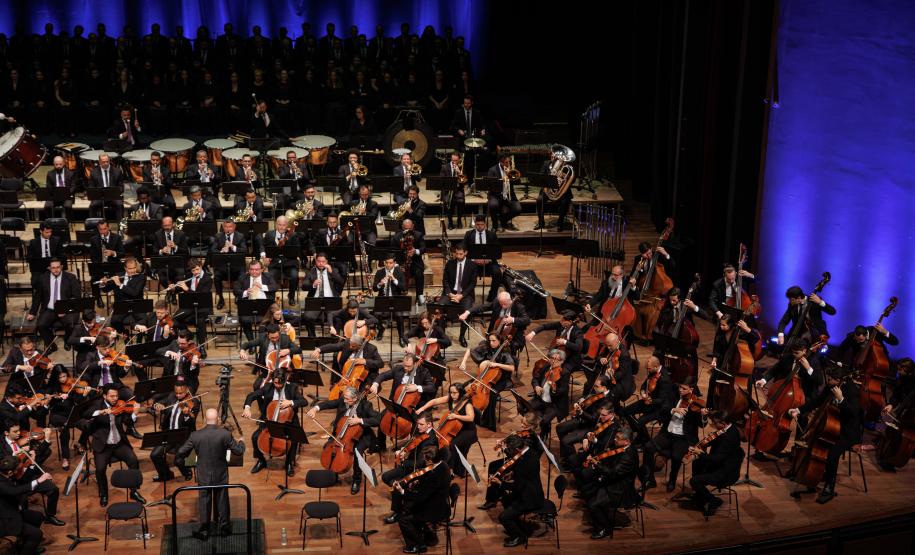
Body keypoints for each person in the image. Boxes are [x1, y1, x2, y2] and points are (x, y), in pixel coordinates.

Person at [788, 364, 863, 504]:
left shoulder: (852, 391)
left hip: (847, 432)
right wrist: (798, 410)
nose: (827, 382)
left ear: (840, 380)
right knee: (814, 444)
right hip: (831, 428)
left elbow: (853, 414)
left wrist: (841, 399)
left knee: (832, 455)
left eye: (830, 380)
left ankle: (829, 487)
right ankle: (810, 474)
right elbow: (817, 401)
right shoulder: (831, 386)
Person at [175, 408, 246, 540]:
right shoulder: (225, 434)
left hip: (204, 474)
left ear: (205, 420)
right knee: (222, 500)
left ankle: (205, 529)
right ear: (218, 419)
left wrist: (194, 451)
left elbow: (181, 452)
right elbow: (239, 451)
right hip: (220, 474)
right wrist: (242, 441)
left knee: (204, 500)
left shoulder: (195, 435)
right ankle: (225, 528)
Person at [307, 386, 381, 494]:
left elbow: (378, 419)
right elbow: (328, 404)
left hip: (360, 436)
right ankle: (333, 473)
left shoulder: (365, 405)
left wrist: (359, 420)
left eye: (347, 399)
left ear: (355, 398)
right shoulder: (343, 401)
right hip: (340, 434)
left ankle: (356, 480)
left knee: (357, 454)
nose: (344, 400)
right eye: (344, 398)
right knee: (328, 448)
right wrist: (315, 408)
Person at [641, 376, 707, 493]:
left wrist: (704, 415)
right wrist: (674, 410)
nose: (680, 390)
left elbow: (702, 425)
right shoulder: (674, 395)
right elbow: (663, 409)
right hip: (668, 433)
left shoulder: (696, 404)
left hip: (683, 438)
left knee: (677, 457)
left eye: (684, 388)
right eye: (680, 387)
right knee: (648, 447)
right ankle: (650, 479)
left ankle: (672, 480)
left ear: (691, 390)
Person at [84, 384, 146, 507]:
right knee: (100, 469)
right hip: (103, 445)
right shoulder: (98, 404)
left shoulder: (121, 405)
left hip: (118, 443)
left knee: (133, 461)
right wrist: (101, 412)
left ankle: (133, 491)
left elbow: (127, 422)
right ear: (104, 396)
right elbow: (86, 413)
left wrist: (134, 413)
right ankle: (104, 494)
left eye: (116, 396)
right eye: (112, 396)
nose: (115, 398)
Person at [242, 371, 309, 476]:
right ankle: (261, 461)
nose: (277, 385)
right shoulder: (268, 387)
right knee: (255, 437)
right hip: (270, 419)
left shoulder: (292, 388)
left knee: (294, 438)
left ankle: (289, 463)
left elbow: (304, 401)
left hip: (288, 420)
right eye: (275, 383)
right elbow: (252, 395)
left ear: (285, 380)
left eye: (279, 383)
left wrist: (290, 402)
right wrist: (247, 408)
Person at [395, 444, 451, 554]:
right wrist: (419, 481)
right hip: (439, 501)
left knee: (402, 519)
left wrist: (402, 491)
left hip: (435, 507)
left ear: (430, 460)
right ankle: (429, 535)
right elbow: (429, 480)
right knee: (407, 508)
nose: (423, 460)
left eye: (425, 458)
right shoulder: (442, 465)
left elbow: (421, 497)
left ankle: (418, 545)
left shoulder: (436, 475)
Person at [585, 428, 639, 539]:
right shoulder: (621, 448)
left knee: (593, 504)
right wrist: (597, 458)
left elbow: (612, 472)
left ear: (627, 441)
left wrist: (597, 464)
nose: (614, 439)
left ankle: (604, 528)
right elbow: (610, 461)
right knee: (587, 491)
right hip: (614, 481)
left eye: (618, 438)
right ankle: (600, 518)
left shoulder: (628, 456)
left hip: (621, 489)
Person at [687, 411, 743, 517]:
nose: (713, 425)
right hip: (721, 464)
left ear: (723, 423)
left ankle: (714, 500)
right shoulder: (728, 429)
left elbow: (717, 459)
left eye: (715, 423)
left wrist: (701, 453)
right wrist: (706, 442)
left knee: (694, 481)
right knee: (696, 464)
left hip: (725, 472)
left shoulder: (729, 437)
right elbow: (717, 440)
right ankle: (700, 495)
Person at [457, 332, 516, 431]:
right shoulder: (486, 346)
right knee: (464, 388)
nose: (491, 343)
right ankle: (469, 414)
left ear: (500, 341)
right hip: (484, 377)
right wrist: (463, 363)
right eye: (490, 340)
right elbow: (469, 350)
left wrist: (497, 364)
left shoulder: (505, 352)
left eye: (494, 341)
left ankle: (489, 423)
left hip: (500, 379)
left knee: (492, 396)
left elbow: (512, 368)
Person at [0, 455, 59, 554]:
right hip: (5, 519)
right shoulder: (1, 484)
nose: (19, 471)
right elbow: (15, 490)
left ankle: (27, 544)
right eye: (17, 470)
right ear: (10, 472)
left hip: (13, 508)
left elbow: (22, 481)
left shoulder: (5, 474)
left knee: (39, 517)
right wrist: (38, 480)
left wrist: (31, 465)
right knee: (37, 534)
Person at [416, 382, 477, 477]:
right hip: (454, 429)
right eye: (451, 392)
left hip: (468, 431)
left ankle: (451, 470)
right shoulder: (450, 398)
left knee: (452, 445)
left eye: (455, 393)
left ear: (460, 392)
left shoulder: (467, 403)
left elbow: (471, 418)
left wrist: (456, 416)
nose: (452, 395)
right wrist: (422, 408)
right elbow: (434, 401)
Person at [494, 434, 543, 547]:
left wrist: (501, 483)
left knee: (503, 517)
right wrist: (512, 473)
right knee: (505, 500)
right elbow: (525, 476)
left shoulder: (523, 464)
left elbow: (517, 487)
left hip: (530, 498)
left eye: (511, 451)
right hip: (531, 490)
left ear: (517, 449)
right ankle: (520, 526)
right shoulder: (531, 452)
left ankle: (519, 536)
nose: (511, 455)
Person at [26, 258, 81, 351]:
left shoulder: (71, 277)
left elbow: (76, 297)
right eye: (53, 268)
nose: (56, 270)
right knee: (41, 325)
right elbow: (38, 297)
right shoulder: (43, 278)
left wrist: (66, 309)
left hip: (66, 309)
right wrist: (33, 312)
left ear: (62, 267)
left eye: (58, 267)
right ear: (49, 268)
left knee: (70, 324)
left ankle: (68, 341)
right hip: (50, 309)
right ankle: (51, 344)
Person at [150, 380, 200, 482]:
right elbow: (157, 403)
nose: (178, 395)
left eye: (180, 393)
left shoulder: (194, 402)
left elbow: (192, 422)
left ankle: (187, 472)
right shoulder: (171, 397)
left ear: (186, 390)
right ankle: (166, 474)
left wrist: (186, 415)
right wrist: (157, 406)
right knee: (155, 455)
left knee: (178, 460)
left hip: (185, 436)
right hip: (169, 434)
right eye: (176, 393)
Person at [239, 323, 303, 392]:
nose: (275, 339)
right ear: (267, 334)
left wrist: (288, 350)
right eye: (272, 338)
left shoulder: (285, 338)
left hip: (284, 371)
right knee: (256, 386)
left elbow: (298, 349)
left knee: (294, 388)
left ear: (279, 333)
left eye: (277, 337)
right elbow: (247, 344)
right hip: (268, 370)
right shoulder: (262, 339)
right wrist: (242, 351)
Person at [439, 243, 477, 346]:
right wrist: (450, 294)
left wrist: (461, 295)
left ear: (466, 253)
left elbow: (473, 283)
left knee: (467, 311)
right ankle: (442, 336)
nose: (458, 256)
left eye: (461, 254)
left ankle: (461, 336)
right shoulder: (450, 263)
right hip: (451, 293)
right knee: (440, 308)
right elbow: (445, 280)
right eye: (456, 254)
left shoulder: (472, 265)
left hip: (465, 294)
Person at [312, 334, 385, 386]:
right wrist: (319, 349)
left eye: (353, 346)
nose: (350, 347)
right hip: (346, 374)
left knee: (357, 394)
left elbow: (380, 363)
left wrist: (365, 361)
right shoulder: (348, 343)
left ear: (360, 346)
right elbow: (333, 346)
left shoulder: (371, 349)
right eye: (350, 344)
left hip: (364, 378)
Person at [301, 252, 346, 337]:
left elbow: (341, 282)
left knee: (338, 318)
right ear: (315, 261)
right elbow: (304, 286)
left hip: (331, 300)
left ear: (327, 262)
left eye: (323, 261)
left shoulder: (333, 270)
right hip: (315, 301)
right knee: (307, 317)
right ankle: (312, 337)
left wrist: (332, 272)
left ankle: (334, 339)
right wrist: (313, 284)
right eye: (318, 261)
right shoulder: (311, 272)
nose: (321, 263)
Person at [463, 214, 506, 303]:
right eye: (478, 224)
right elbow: (464, 249)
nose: (480, 226)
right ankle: (470, 297)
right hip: (473, 262)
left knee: (497, 273)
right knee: (466, 273)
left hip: (489, 262)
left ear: (485, 225)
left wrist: (488, 259)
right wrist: (473, 260)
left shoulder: (491, 234)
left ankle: (492, 296)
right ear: (475, 224)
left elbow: (496, 250)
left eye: (482, 224)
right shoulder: (469, 234)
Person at [98, 256, 147, 333]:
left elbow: (134, 293)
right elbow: (106, 290)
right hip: (122, 306)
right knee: (114, 321)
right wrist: (103, 284)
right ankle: (124, 333)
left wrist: (120, 285)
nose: (132, 271)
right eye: (130, 269)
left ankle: (138, 335)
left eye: (134, 268)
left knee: (144, 320)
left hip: (137, 305)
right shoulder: (118, 275)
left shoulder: (141, 277)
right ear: (125, 268)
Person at [259, 215, 300, 304]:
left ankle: (291, 296)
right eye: (279, 225)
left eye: (284, 225)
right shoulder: (269, 234)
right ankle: (271, 298)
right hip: (275, 264)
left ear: (287, 225)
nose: (281, 227)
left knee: (294, 276)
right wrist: (264, 255)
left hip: (289, 263)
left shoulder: (293, 235)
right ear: (276, 225)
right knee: (270, 277)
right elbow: (262, 245)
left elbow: (296, 250)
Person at [211, 219, 250, 310]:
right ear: (223, 227)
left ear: (234, 227)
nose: (228, 229)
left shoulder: (240, 236)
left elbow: (245, 251)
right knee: (216, 276)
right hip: (223, 267)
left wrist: (233, 247)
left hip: (237, 266)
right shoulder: (218, 236)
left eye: (230, 227)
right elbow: (212, 250)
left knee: (242, 275)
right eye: (226, 227)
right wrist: (221, 251)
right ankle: (221, 298)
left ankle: (238, 296)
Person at [88, 220, 126, 307]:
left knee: (120, 277)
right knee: (93, 279)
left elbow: (122, 253)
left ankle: (118, 299)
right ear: (98, 229)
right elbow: (93, 256)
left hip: (114, 265)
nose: (103, 231)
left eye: (105, 229)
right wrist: (101, 270)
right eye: (101, 229)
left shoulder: (117, 238)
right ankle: (98, 298)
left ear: (108, 228)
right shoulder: (94, 239)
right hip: (100, 265)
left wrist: (113, 253)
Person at [372, 255, 408, 342]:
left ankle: (401, 336)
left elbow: (404, 288)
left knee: (399, 315)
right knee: (377, 314)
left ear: (394, 263)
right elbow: (374, 288)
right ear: (384, 263)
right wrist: (380, 283)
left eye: (390, 263)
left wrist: (395, 280)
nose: (388, 265)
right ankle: (380, 329)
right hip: (383, 299)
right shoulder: (379, 272)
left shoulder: (399, 272)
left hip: (396, 299)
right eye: (387, 263)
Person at [392, 218, 426, 304]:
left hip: (415, 261)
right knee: (396, 273)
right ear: (402, 227)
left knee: (419, 273)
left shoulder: (418, 235)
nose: (408, 231)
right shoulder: (396, 237)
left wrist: (415, 251)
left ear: (413, 227)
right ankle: (397, 295)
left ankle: (420, 295)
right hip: (401, 261)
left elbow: (423, 248)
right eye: (406, 228)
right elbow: (392, 252)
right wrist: (396, 263)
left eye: (410, 229)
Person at [486, 153, 521, 231]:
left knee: (518, 209)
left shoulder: (511, 169)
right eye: (506, 162)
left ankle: (503, 220)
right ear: (501, 162)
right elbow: (491, 185)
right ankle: (495, 225)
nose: (508, 164)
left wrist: (511, 175)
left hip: (508, 194)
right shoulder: (492, 170)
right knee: (493, 205)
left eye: (509, 162)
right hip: (495, 194)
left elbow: (518, 182)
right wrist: (502, 179)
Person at [88, 152, 125, 220]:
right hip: (100, 197)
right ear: (99, 162)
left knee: (119, 205)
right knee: (92, 206)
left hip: (113, 196)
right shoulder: (93, 173)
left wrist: (116, 192)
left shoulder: (117, 171)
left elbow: (121, 187)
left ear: (109, 161)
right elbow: (91, 188)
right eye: (103, 162)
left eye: (107, 161)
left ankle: (121, 226)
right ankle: (92, 227)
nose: (105, 163)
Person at [42, 155, 77, 220]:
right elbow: (48, 187)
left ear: (63, 163)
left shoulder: (70, 173)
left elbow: (73, 187)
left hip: (67, 196)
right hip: (54, 196)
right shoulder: (50, 174)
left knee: (68, 206)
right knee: (47, 206)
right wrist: (55, 194)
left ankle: (68, 223)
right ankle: (50, 223)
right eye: (56, 164)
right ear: (54, 164)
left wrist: (66, 193)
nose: (58, 166)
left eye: (60, 164)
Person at [440, 151, 466, 228]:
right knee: (449, 202)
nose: (454, 162)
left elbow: (464, 182)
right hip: (448, 190)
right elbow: (442, 180)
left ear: (459, 160)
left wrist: (459, 172)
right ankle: (450, 221)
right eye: (452, 160)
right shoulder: (444, 167)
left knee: (461, 202)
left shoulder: (462, 167)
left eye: (456, 161)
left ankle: (459, 220)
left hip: (458, 190)